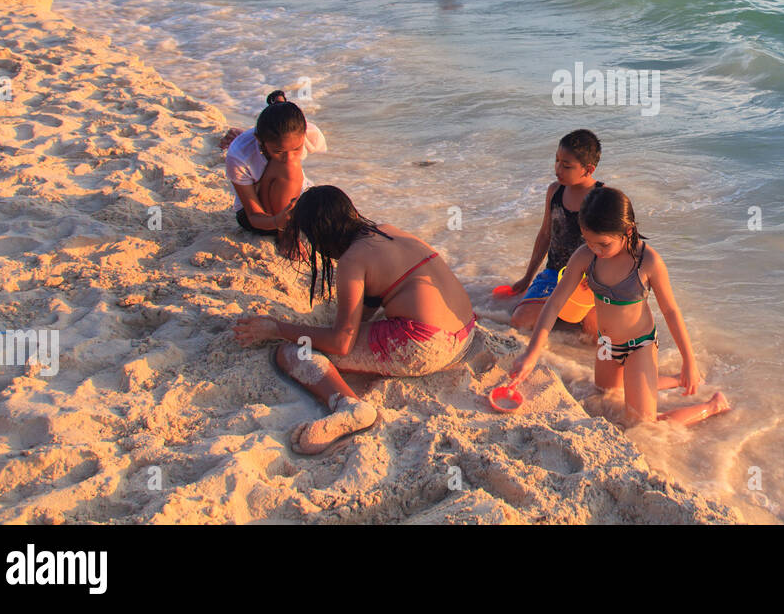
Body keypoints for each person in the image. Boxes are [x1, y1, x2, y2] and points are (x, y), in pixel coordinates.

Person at [232, 186, 477, 455]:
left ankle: (349, 405)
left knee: (292, 351)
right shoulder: (388, 230)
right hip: (465, 332)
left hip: (426, 344)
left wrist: (277, 328)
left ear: (319, 236)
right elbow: (372, 301)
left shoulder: (352, 260)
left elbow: (341, 343)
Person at [506, 186, 730, 426]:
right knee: (604, 395)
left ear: (628, 230)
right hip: (606, 345)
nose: (595, 249)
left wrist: (689, 361)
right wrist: (531, 354)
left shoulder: (648, 262)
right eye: (588, 241)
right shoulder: (585, 256)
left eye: (603, 244)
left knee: (643, 425)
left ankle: (713, 404)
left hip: (639, 347)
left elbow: (671, 312)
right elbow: (553, 305)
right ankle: (673, 379)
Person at [508, 130, 603, 335]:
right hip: (554, 274)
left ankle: (573, 321)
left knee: (597, 335)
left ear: (589, 169)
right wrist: (527, 278)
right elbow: (545, 235)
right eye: (557, 160)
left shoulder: (602, 198)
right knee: (519, 321)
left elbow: (616, 246)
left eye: (567, 165)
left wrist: (598, 277)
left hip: (589, 280)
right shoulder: (555, 191)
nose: (558, 168)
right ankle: (559, 314)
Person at [224, 100, 327, 237]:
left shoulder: (305, 131)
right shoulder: (238, 155)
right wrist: (278, 222)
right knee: (289, 166)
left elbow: (284, 117)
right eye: (279, 151)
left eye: (297, 149)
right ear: (259, 140)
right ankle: (286, 236)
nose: (289, 157)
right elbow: (254, 215)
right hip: (262, 218)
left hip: (295, 199)